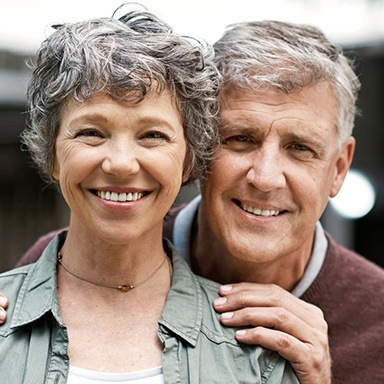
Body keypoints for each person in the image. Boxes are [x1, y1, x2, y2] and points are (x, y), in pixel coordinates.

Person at [3, 17, 383, 384]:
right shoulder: (59, 265)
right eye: (240, 139)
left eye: (300, 148)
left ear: (338, 168)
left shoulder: (378, 320)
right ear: (199, 151)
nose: (265, 179)